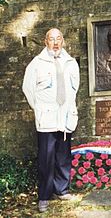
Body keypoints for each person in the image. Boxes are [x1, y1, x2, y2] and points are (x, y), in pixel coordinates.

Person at [22, 28, 80, 212]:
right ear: (45, 41)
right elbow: (28, 89)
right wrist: (39, 109)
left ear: (63, 41)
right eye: (51, 39)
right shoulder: (36, 63)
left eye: (58, 39)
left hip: (65, 116)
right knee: (46, 159)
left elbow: (74, 88)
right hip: (46, 118)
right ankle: (44, 196)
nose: (55, 42)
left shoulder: (71, 63)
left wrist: (68, 107)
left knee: (63, 156)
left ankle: (61, 190)